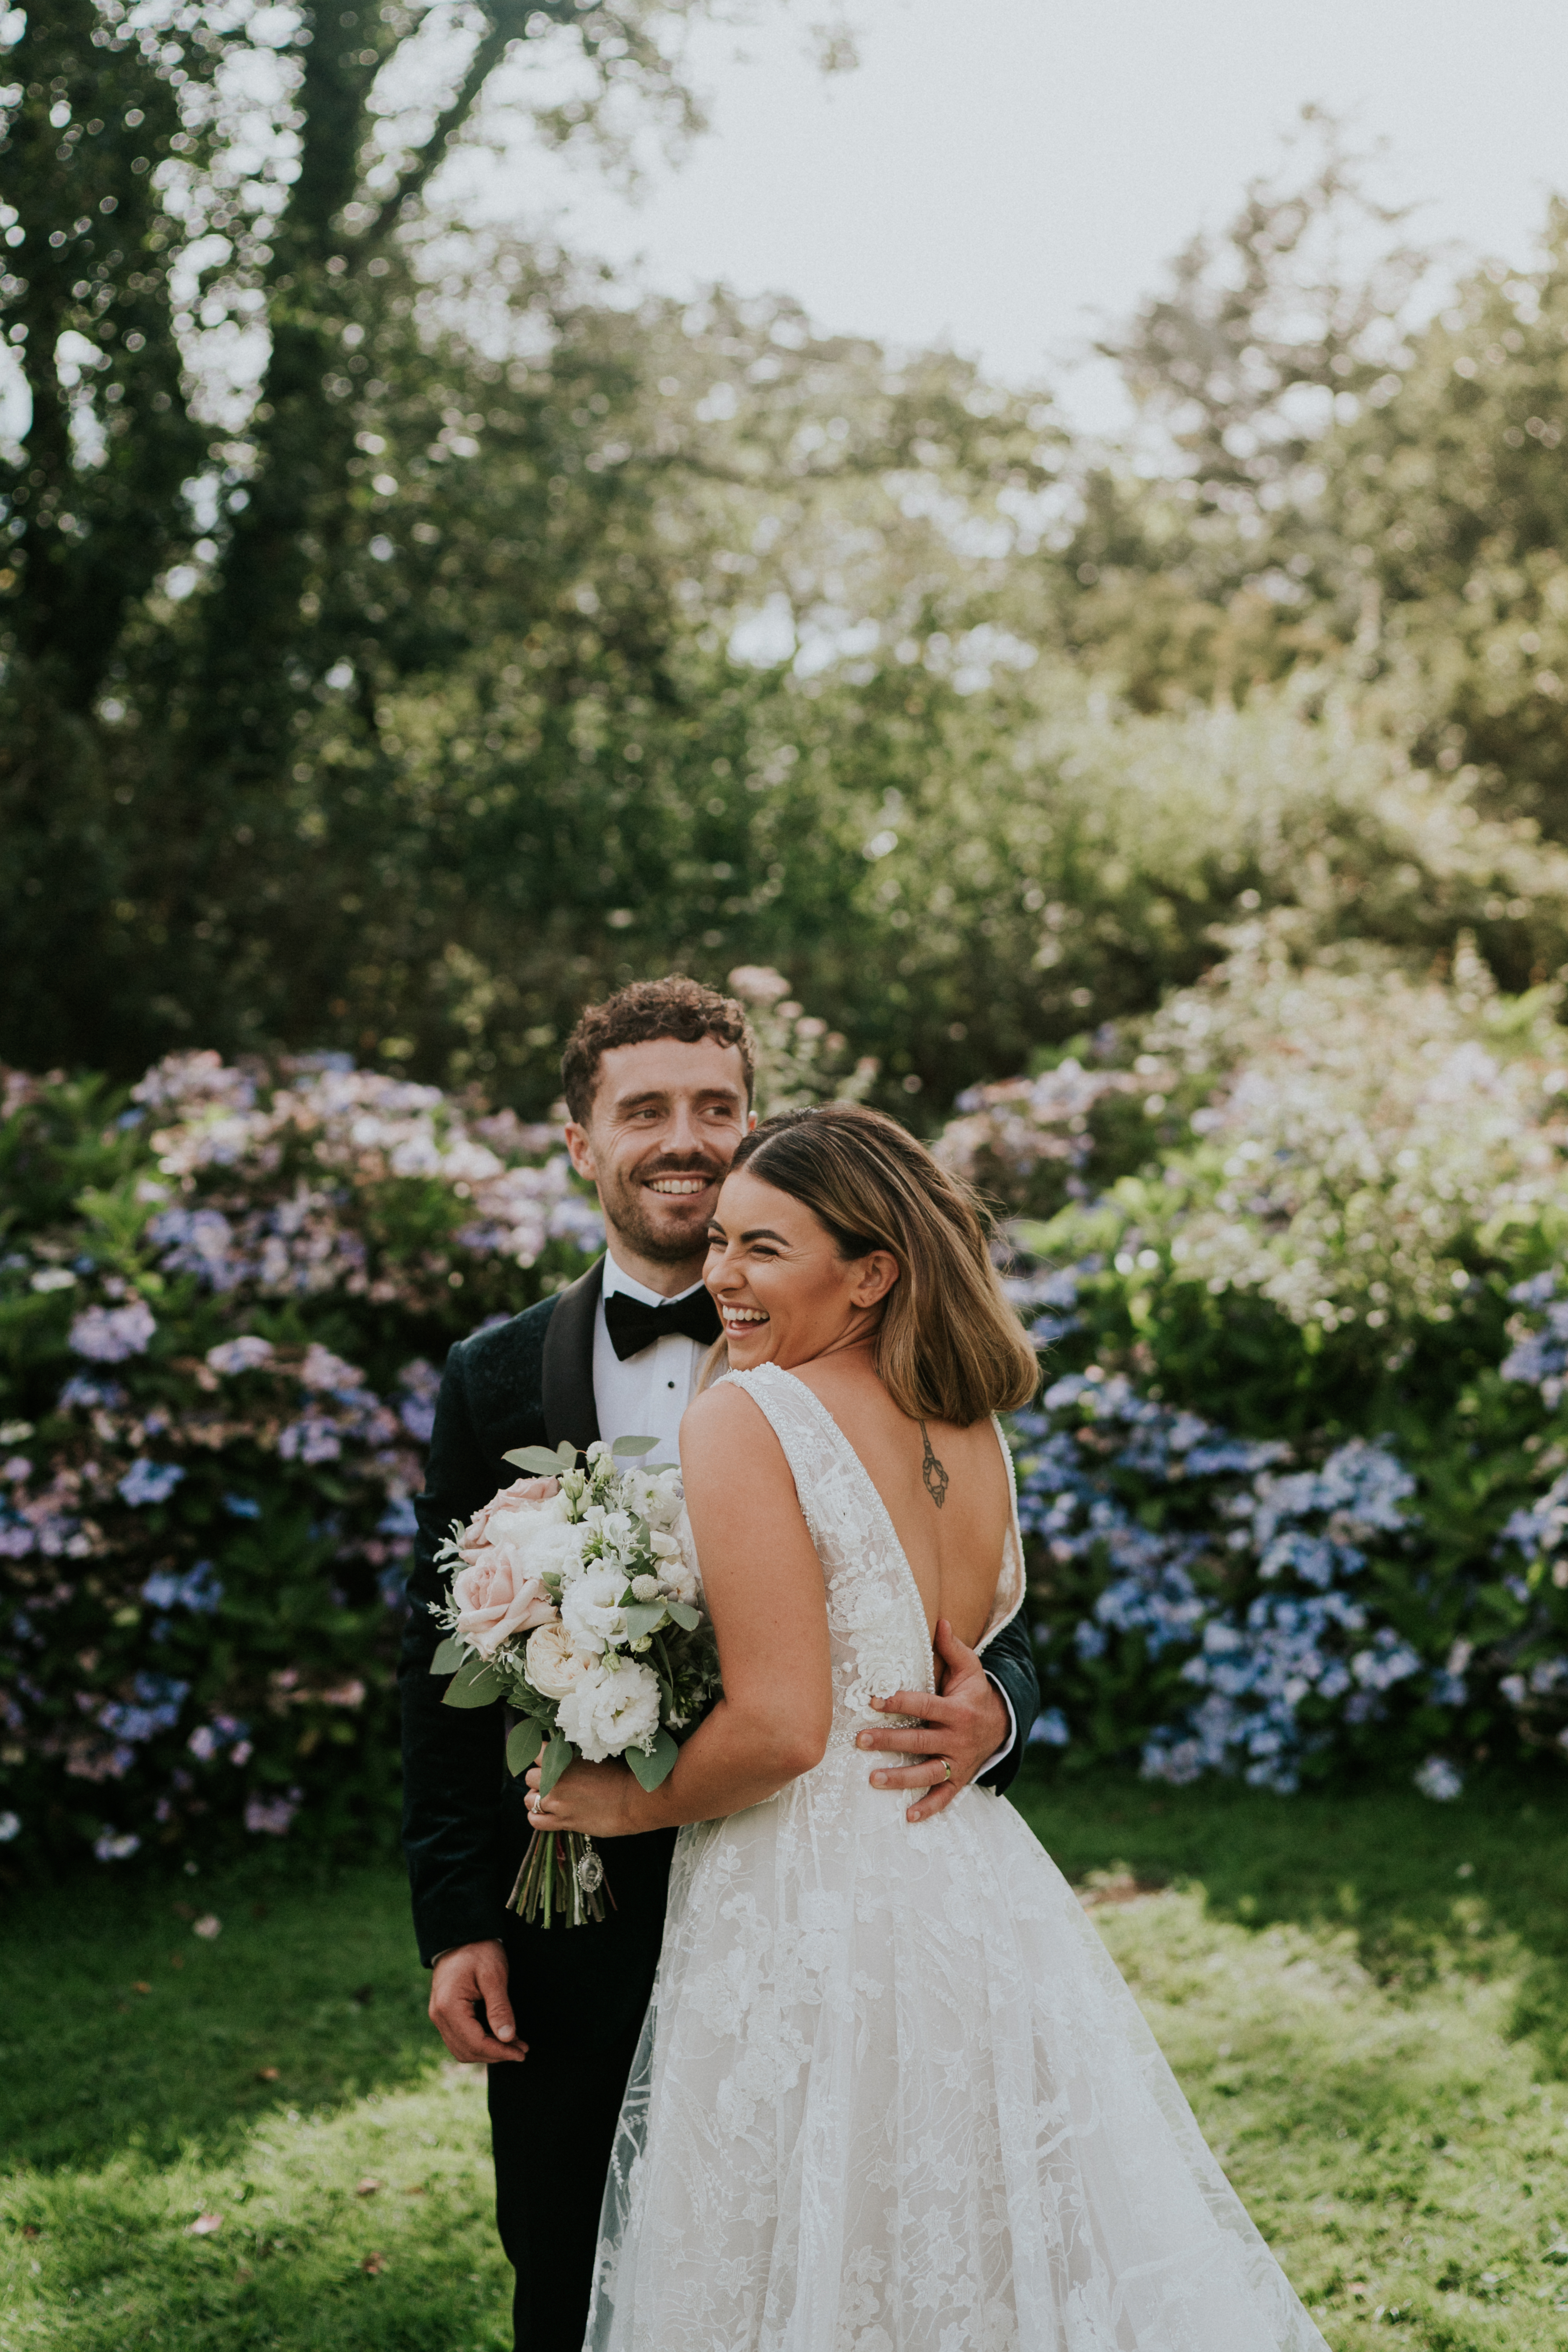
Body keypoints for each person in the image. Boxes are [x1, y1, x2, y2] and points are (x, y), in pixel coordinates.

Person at [526, 1102, 1332, 2352]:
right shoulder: (968, 1420)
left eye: (761, 1250)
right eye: (721, 1241)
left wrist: (615, 1798)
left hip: (804, 1897)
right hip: (965, 1882)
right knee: (982, 2249)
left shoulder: (746, 1416)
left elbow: (786, 1728)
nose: (720, 1277)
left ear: (871, 1272)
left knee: (812, 2247)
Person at [398, 979, 1042, 2352]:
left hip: (807, 1906)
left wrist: (996, 1708)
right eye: (646, 1109)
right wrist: (458, 1918)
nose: (684, 1137)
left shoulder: (863, 1382)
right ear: (582, 1141)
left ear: (754, 1124)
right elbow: (438, 1660)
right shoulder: (495, 1374)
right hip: (581, 1918)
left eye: (716, 1107)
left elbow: (971, 1630)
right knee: (579, 2262)